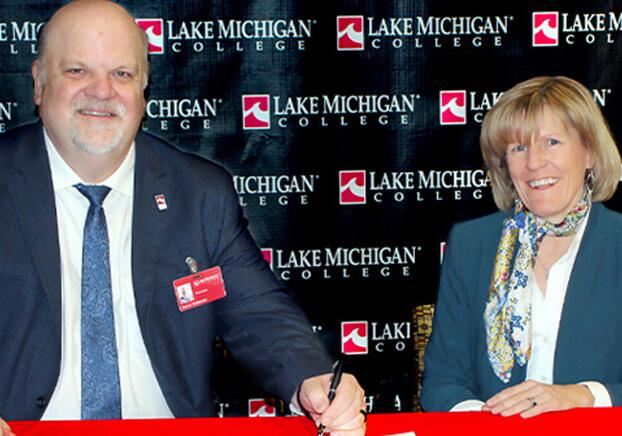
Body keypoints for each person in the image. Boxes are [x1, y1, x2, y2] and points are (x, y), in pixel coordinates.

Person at [0, 1, 366, 434]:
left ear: (143, 90)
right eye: (78, 71)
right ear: (40, 83)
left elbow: (260, 314)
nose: (102, 91)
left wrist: (313, 379)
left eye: (122, 74)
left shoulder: (198, 194)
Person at [421, 76, 622, 418]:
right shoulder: (471, 245)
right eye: (518, 148)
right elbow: (442, 381)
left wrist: (586, 396)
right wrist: (487, 422)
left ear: (589, 152)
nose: (533, 163)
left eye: (552, 142)